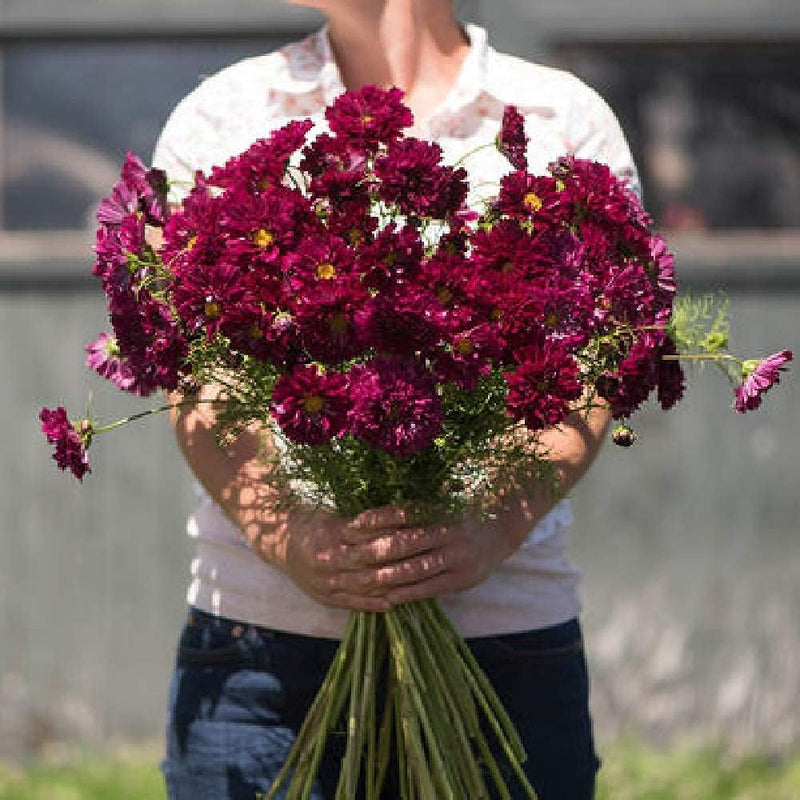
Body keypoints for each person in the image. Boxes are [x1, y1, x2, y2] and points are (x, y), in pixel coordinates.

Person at [152, 1, 640, 797]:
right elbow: (193, 372)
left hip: (504, 647)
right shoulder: (224, 113)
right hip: (259, 661)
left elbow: (597, 368)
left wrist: (497, 519)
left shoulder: (561, 116)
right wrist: (289, 534)